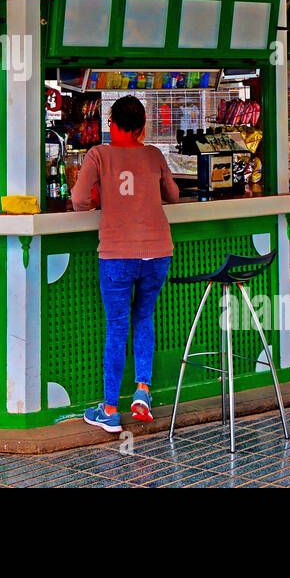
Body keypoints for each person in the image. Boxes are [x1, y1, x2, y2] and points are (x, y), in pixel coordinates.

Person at [70, 95, 180, 433]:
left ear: (111, 124)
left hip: (117, 254)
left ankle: (110, 410)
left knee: (117, 327)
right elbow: (173, 196)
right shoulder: (154, 154)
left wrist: (101, 197)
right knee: (144, 316)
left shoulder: (99, 154)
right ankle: (143, 391)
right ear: (143, 126)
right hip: (159, 251)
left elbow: (78, 201)